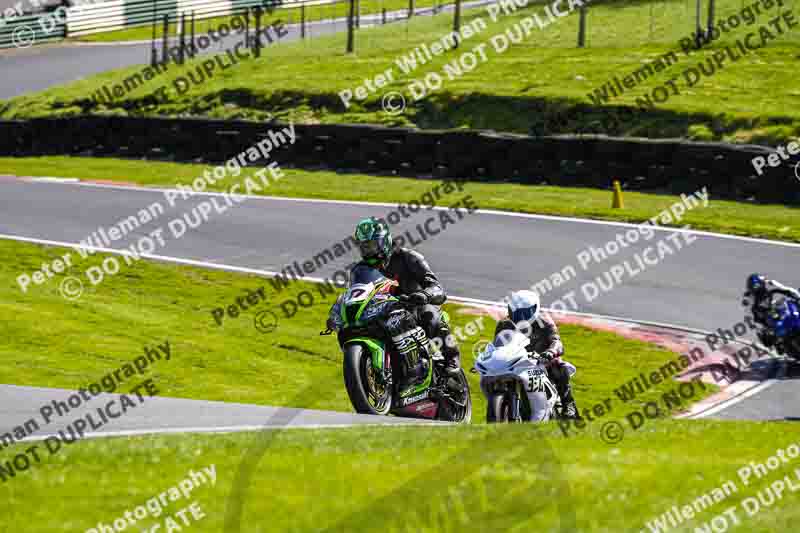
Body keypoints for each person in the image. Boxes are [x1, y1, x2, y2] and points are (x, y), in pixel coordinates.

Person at [351, 217, 462, 377]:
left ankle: (452, 356)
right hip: (383, 313)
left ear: (384, 242)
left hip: (414, 307)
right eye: (364, 247)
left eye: (372, 246)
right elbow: (356, 294)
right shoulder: (360, 270)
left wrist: (424, 295)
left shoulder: (408, 257)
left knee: (429, 315)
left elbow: (437, 287)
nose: (368, 251)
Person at [493, 289, 580, 419]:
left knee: (558, 365)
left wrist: (550, 352)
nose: (520, 318)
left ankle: (569, 404)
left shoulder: (544, 322)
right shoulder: (504, 325)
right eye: (516, 313)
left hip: (541, 361)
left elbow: (557, 342)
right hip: (516, 361)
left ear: (535, 309)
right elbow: (496, 347)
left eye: (524, 313)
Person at [744, 273, 800, 347]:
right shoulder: (750, 298)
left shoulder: (770, 286)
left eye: (758, 286)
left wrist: (797, 295)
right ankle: (778, 342)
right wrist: (755, 325)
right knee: (766, 336)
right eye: (755, 287)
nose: (758, 289)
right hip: (765, 316)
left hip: (776, 308)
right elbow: (748, 312)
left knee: (793, 303)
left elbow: (784, 288)